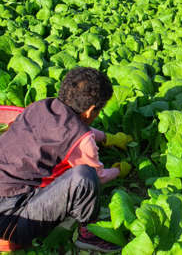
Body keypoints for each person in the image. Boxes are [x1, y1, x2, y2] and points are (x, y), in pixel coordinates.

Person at [0, 67, 132, 253]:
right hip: (9, 220)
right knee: (84, 176)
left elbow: (72, 128)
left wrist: (108, 138)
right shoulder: (81, 139)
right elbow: (98, 177)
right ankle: (88, 234)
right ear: (91, 110)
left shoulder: (42, 106)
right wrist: (119, 170)